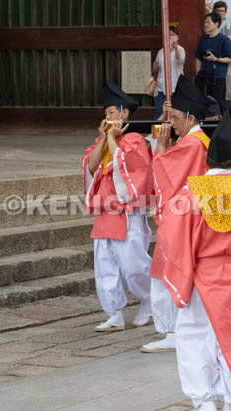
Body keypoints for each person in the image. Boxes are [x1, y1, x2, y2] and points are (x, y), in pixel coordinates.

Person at [158, 117, 231, 411]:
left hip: (201, 278)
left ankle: (204, 402)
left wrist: (181, 279)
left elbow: (171, 238)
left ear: (206, 160)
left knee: (195, 340)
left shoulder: (189, 195)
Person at [144, 78, 211, 354]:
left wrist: (160, 150)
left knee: (165, 273)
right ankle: (177, 329)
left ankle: (173, 331)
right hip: (188, 216)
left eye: (174, 118)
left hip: (183, 217)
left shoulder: (193, 144)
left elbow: (169, 173)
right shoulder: (192, 140)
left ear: (190, 117)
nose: (170, 123)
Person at [84, 82, 154, 333]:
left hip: (127, 211)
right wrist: (104, 138)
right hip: (105, 211)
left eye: (112, 113)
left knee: (133, 265)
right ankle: (114, 313)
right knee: (105, 265)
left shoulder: (134, 140)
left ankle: (150, 297)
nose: (107, 117)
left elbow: (127, 166)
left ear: (124, 114)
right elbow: (91, 167)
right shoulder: (103, 140)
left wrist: (113, 140)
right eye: (106, 113)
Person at [194, 12, 231, 110]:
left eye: (208, 22)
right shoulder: (202, 39)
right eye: (205, 23)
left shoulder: (224, 40)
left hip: (218, 77)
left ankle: (216, 123)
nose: (205, 25)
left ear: (216, 24)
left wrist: (216, 59)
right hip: (202, 77)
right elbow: (198, 58)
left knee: (217, 105)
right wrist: (197, 73)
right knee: (201, 104)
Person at [209, 0, 231, 102]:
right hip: (215, 60)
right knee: (217, 89)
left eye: (222, 11)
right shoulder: (211, 22)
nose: (220, 13)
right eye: (218, 11)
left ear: (226, 12)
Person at [153, 24, 186, 119]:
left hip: (175, 88)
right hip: (161, 88)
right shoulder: (161, 52)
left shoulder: (180, 49)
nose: (169, 37)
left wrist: (175, 49)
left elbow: (180, 61)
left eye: (172, 34)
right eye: (167, 34)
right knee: (159, 112)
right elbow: (156, 74)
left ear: (177, 37)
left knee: (174, 113)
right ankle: (157, 132)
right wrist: (155, 69)